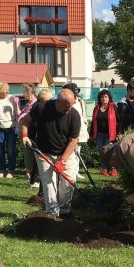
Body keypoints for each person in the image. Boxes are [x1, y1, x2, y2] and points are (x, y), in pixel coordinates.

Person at [20, 89, 81, 218]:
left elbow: (73, 140)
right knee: (48, 183)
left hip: (66, 152)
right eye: (66, 105)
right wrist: (24, 135)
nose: (69, 108)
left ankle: (65, 211)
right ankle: (52, 212)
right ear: (57, 101)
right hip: (44, 152)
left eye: (71, 105)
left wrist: (62, 160)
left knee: (69, 181)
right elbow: (25, 121)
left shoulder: (74, 115)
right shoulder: (41, 108)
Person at [62, 83, 90, 181]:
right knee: (70, 153)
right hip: (70, 131)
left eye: (77, 91)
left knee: (78, 152)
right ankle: (70, 171)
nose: (76, 93)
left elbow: (83, 115)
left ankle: (76, 171)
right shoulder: (66, 101)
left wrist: (85, 126)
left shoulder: (80, 101)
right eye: (75, 91)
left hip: (80, 130)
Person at [91, 89, 119, 177]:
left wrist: (119, 133)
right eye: (102, 97)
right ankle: (104, 169)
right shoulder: (96, 108)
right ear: (99, 98)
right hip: (99, 134)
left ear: (109, 98)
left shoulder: (113, 107)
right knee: (102, 153)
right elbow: (93, 122)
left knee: (110, 152)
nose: (103, 98)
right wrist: (91, 135)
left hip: (110, 134)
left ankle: (113, 169)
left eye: (105, 97)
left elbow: (119, 120)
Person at [17, 84, 39, 188]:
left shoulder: (35, 104)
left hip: (32, 133)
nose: (23, 94)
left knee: (33, 154)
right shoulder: (27, 104)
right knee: (27, 153)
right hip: (25, 133)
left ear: (29, 92)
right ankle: (29, 172)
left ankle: (34, 176)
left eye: (24, 91)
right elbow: (20, 116)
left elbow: (28, 118)